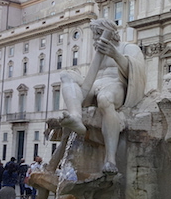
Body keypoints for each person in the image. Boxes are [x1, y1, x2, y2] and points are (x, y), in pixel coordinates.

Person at [59, 18, 145, 173]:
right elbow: (90, 79)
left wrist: (115, 55)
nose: (96, 38)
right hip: (94, 85)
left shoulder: (129, 47)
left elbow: (137, 72)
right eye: (94, 35)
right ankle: (75, 116)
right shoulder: (97, 55)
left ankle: (110, 160)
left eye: (98, 34)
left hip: (116, 85)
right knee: (66, 75)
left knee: (105, 99)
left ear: (110, 34)